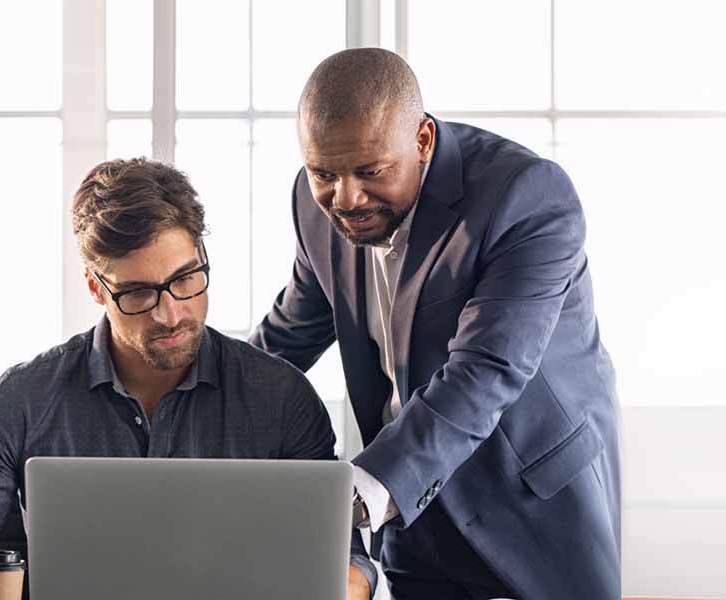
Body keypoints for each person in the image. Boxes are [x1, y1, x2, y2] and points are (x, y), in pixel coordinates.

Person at [0, 158, 376, 600]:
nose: (170, 312)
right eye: (138, 292)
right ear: (97, 288)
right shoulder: (23, 400)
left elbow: (346, 564)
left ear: (201, 256)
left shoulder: (281, 399)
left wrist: (341, 584)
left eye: (185, 279)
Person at [249, 48, 622, 599]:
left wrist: (362, 491)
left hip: (532, 507)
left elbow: (486, 371)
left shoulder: (528, 197)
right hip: (413, 517)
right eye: (323, 172)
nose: (344, 198)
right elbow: (284, 341)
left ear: (422, 141)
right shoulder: (314, 204)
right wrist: (198, 412)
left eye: (370, 171)